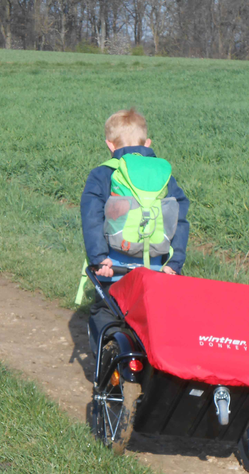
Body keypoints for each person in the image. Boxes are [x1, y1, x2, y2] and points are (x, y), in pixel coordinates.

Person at [80, 108, 190, 356]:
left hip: (114, 267)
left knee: (104, 313)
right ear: (147, 143)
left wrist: (99, 259)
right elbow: (179, 219)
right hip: (157, 269)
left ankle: (109, 374)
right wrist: (174, 264)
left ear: (110, 145)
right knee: (154, 317)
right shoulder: (164, 175)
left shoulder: (102, 174)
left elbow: (92, 218)